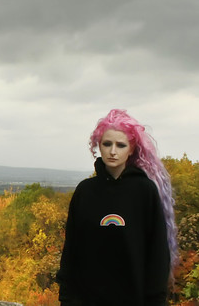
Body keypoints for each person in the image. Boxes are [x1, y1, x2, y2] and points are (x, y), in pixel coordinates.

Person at [56, 109, 178, 306]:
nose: (113, 151)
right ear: (99, 146)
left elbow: (157, 255)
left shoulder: (145, 191)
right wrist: (67, 298)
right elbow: (71, 250)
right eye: (107, 144)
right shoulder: (85, 192)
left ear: (131, 149)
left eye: (121, 145)